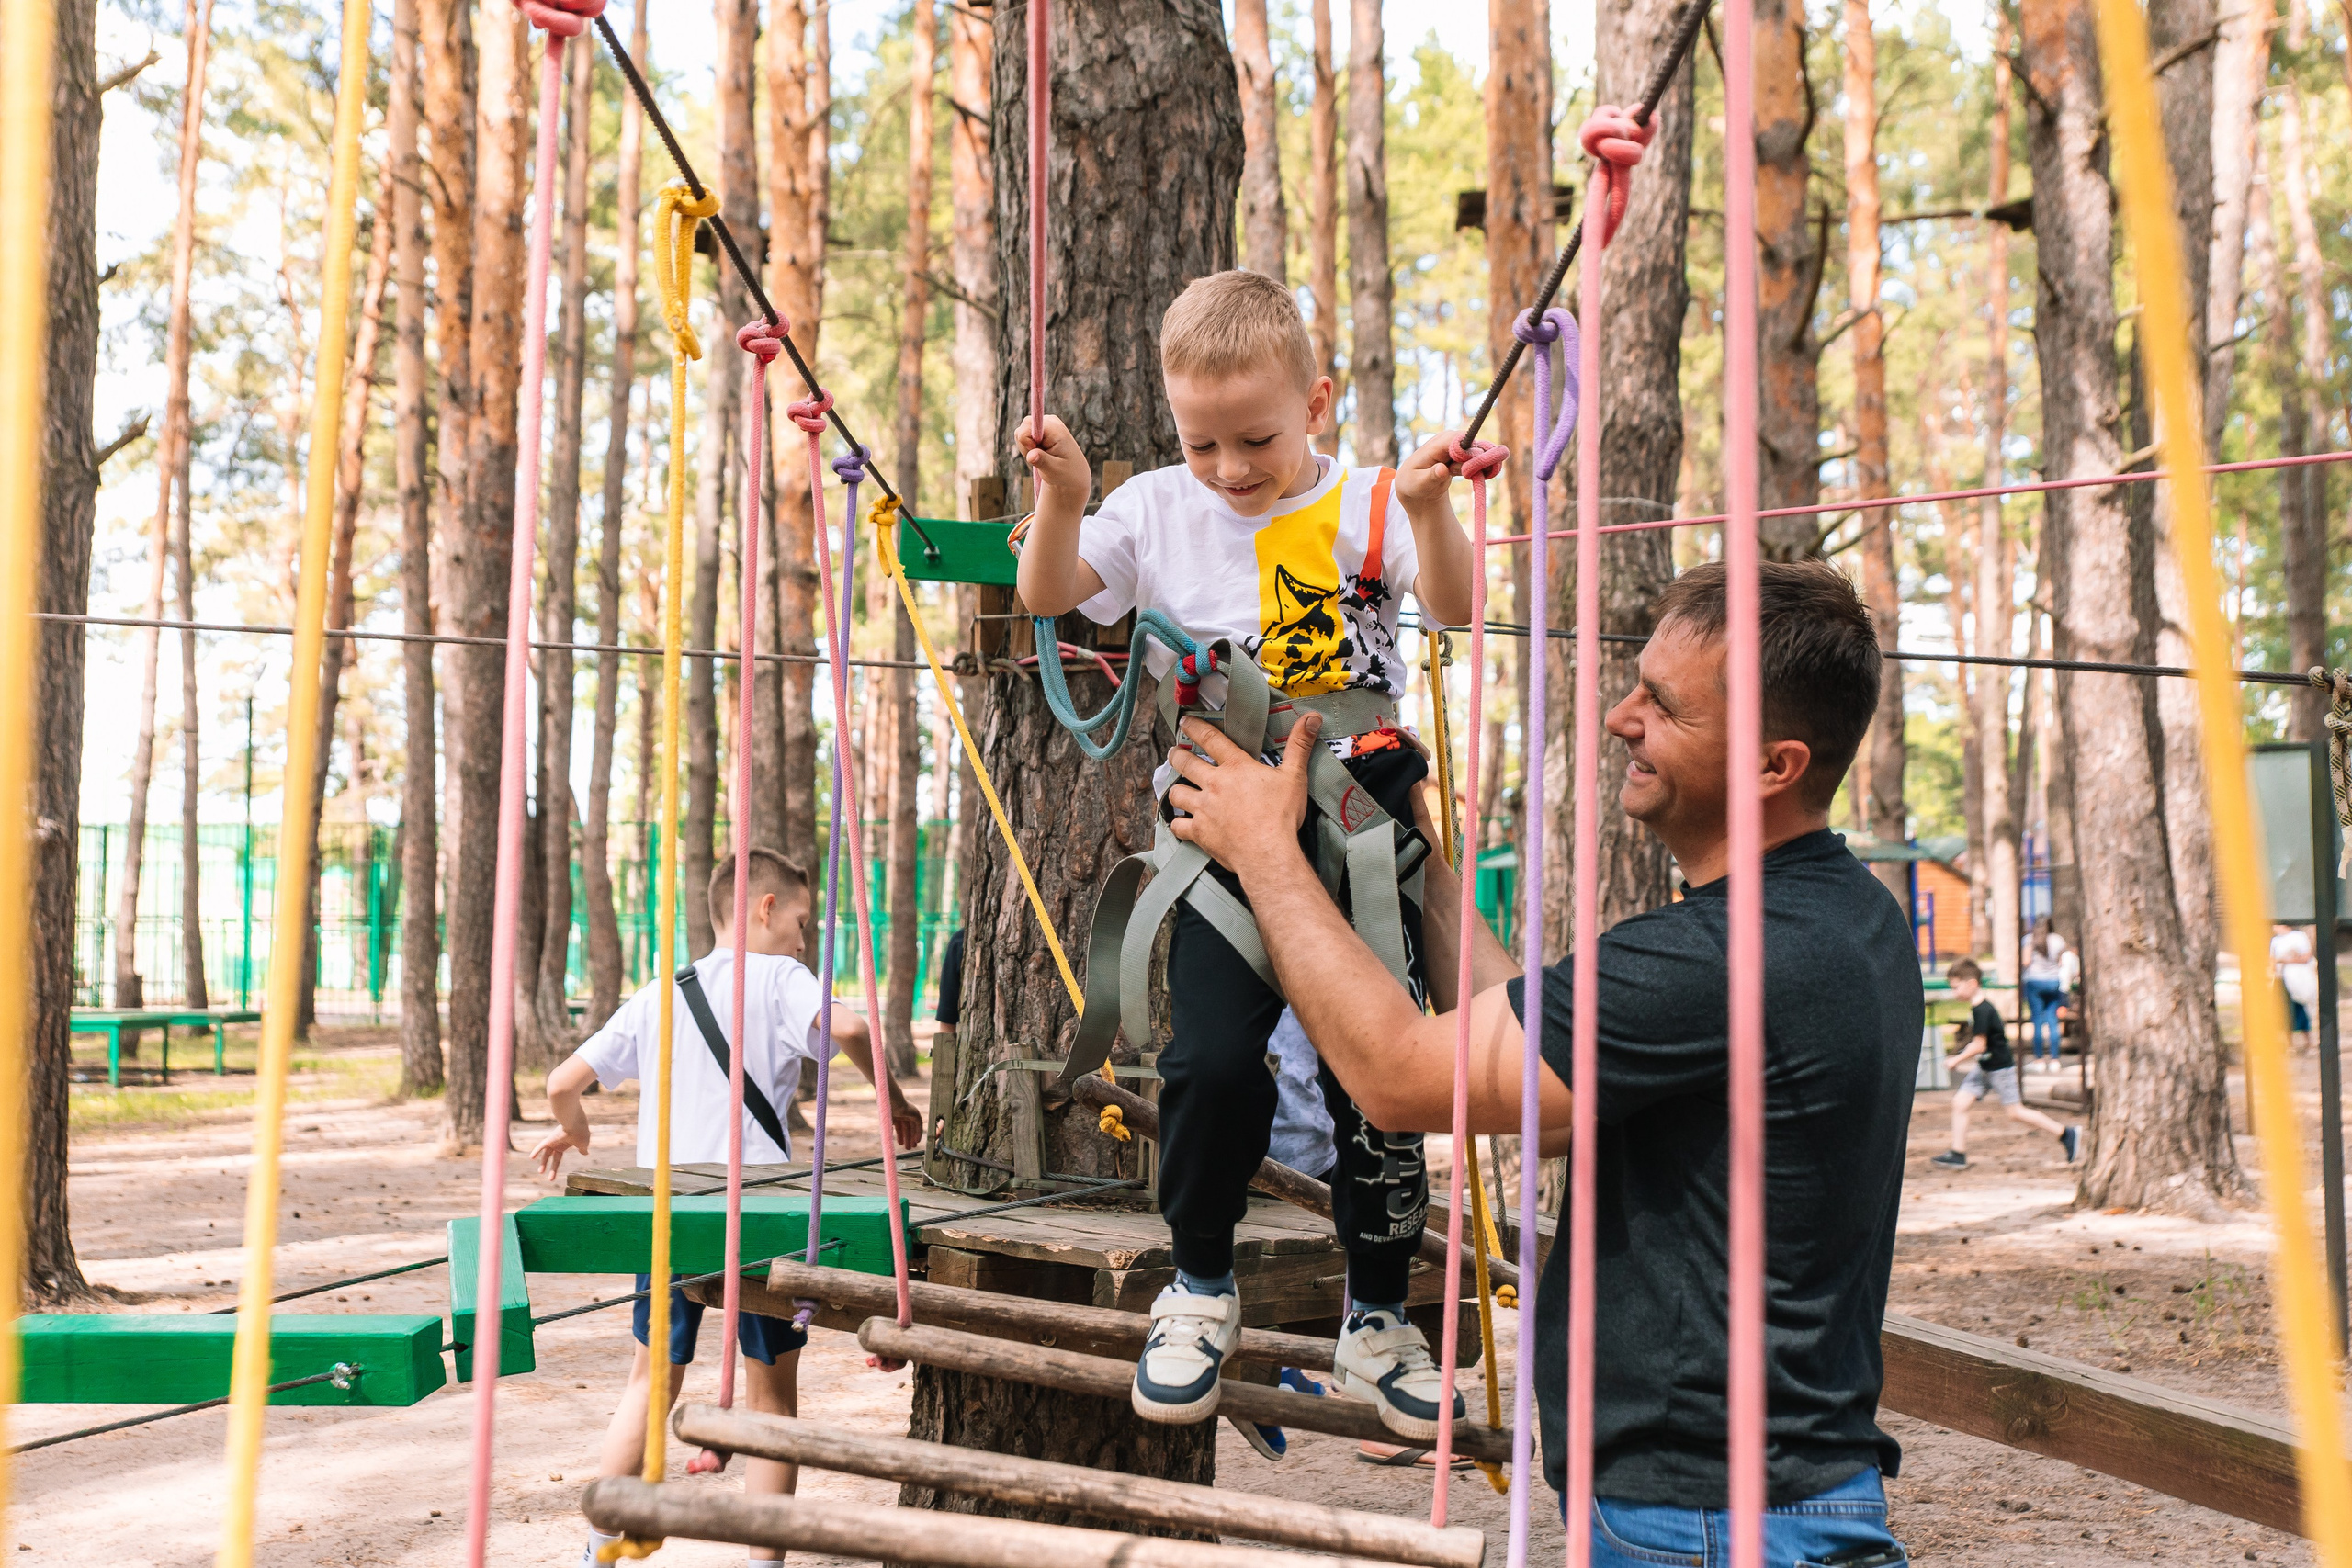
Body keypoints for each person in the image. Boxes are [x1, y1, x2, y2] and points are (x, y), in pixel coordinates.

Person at [1165, 559, 1917, 1567]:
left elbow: (1395, 1075)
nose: (1620, 717)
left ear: (1774, 766)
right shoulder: (1841, 915)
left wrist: (1266, 855)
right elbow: (1543, 1098)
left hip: (1708, 1523)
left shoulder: (1725, 959)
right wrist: (1404, 855)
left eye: (1663, 705)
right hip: (1750, 1499)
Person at [1013, 268, 1484, 1438]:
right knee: (1212, 1064)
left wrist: (1426, 510)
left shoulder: (1372, 501)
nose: (1230, 467)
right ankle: (1199, 1283)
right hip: (1225, 823)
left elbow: (1463, 609)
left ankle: (1380, 1317)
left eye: (1257, 438)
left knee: (1380, 1081)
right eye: (1203, 439)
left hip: (1361, 826)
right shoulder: (1154, 509)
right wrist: (1067, 499)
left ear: (1317, 400)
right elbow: (1050, 593)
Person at [530, 848, 922, 1568]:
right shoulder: (779, 976)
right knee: (772, 1400)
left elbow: (562, 1081)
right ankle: (762, 1564)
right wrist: (893, 1099)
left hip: (671, 1218)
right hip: (757, 1221)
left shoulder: (660, 992)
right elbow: (854, 1030)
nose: (806, 941)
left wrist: (576, 1127)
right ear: (765, 908)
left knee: (649, 1385)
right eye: (802, 921)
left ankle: (597, 1550)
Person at [1929, 957, 2079, 1169]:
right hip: (1985, 1067)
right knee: (1960, 1102)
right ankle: (1958, 1153)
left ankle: (2066, 1133)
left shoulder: (1983, 1010)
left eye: (1956, 988)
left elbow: (1979, 1045)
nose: (1954, 993)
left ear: (1972, 984)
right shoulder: (1977, 1009)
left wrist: (1956, 1059)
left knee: (2015, 1112)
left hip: (2000, 1068)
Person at [2018, 915, 2068, 1063]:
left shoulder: (2029, 939)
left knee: (2037, 1021)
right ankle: (2055, 1059)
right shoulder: (2058, 940)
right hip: (2053, 981)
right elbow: (2061, 962)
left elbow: (2026, 961)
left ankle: (2039, 1059)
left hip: (2034, 982)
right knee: (2053, 1020)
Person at [2272, 923, 2319, 1051]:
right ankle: (2289, 1044)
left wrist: (2286, 960)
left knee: (2301, 1010)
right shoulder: (2275, 940)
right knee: (2285, 1011)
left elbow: (2306, 957)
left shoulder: (2299, 937)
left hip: (2299, 979)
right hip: (2283, 978)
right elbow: (2273, 961)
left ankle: (2309, 1042)